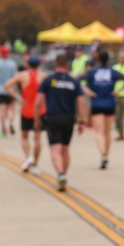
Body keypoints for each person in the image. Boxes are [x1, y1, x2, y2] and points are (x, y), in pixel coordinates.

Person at [35, 53, 89, 192]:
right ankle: (63, 174)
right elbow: (82, 102)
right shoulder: (73, 81)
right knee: (65, 149)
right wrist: (83, 121)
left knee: (55, 149)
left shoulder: (48, 80)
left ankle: (60, 174)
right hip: (68, 118)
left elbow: (38, 102)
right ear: (68, 65)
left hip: (53, 117)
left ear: (55, 64)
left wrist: (37, 120)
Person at [82, 49, 124, 170]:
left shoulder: (92, 72)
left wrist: (87, 91)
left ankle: (103, 153)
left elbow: (78, 79)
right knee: (107, 132)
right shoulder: (113, 72)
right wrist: (119, 90)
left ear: (98, 59)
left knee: (99, 131)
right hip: (110, 103)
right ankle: (106, 155)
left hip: (97, 103)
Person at [5, 55, 45, 175]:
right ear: (39, 65)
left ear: (28, 65)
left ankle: (28, 157)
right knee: (37, 138)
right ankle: (36, 164)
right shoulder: (43, 77)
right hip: (40, 111)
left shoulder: (22, 76)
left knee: (24, 136)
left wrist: (18, 98)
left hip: (26, 110)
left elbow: (7, 86)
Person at [0, 45, 19, 137]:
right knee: (11, 109)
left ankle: (3, 128)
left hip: (0, 89)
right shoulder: (12, 64)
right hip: (10, 89)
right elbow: (15, 78)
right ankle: (10, 122)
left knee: (2, 110)